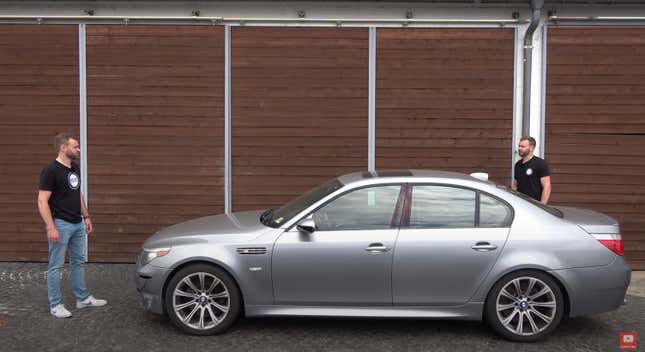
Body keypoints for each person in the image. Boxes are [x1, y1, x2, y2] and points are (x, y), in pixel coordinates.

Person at [37, 133, 107, 318]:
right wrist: (51, 227)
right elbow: (42, 201)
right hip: (60, 224)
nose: (78, 149)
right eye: (75, 146)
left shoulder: (74, 168)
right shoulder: (50, 170)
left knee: (78, 262)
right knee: (55, 266)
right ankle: (55, 305)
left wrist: (86, 216)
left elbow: (78, 194)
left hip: (77, 223)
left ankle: (82, 298)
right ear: (63, 147)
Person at [513, 136, 552, 205]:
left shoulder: (540, 163)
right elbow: (515, 185)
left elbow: (547, 186)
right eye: (519, 146)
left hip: (534, 206)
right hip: (520, 205)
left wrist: (542, 206)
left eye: (523, 146)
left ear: (531, 148)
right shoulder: (517, 165)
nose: (519, 148)